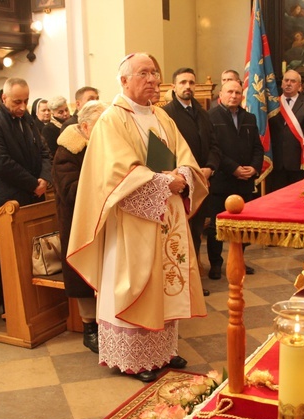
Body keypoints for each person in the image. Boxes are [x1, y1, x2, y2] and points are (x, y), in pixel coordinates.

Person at [67, 53, 208, 383]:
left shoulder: (162, 117)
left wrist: (185, 175)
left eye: (155, 74)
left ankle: (163, 351)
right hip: (132, 220)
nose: (152, 80)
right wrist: (162, 181)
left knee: (166, 283)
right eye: (144, 73)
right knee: (136, 284)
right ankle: (134, 358)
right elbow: (115, 173)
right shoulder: (111, 120)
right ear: (124, 80)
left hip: (166, 214)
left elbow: (184, 155)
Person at [52, 100, 107, 353]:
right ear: (84, 126)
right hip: (78, 225)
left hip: (104, 221)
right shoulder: (68, 151)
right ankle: (89, 329)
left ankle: (109, 326)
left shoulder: (104, 146)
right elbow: (70, 192)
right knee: (84, 275)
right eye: (100, 125)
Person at [163, 67, 220, 296]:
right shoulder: (166, 114)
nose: (188, 86)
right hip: (180, 184)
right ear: (174, 86)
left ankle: (194, 281)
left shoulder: (203, 113)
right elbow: (167, 149)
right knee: (179, 234)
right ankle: (180, 282)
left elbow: (214, 145)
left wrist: (209, 168)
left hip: (201, 183)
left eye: (191, 82)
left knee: (196, 233)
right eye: (183, 82)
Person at [208, 80, 264, 278]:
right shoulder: (211, 117)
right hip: (222, 180)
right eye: (230, 92)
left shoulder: (249, 117)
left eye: (238, 92)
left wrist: (254, 168)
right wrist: (233, 169)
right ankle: (216, 264)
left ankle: (239, 260)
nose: (234, 95)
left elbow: (258, 147)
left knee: (242, 225)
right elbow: (214, 149)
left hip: (245, 181)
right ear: (220, 94)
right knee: (217, 225)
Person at [0, 77, 52, 210]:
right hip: (10, 199)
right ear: (4, 98)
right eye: (17, 102)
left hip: (36, 194)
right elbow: (1, 163)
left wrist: (44, 177)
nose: (23, 107)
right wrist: (33, 184)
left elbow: (44, 151)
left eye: (26, 101)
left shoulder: (27, 119)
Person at [269, 70, 304, 192]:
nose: (288, 84)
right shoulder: (272, 104)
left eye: (293, 81)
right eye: (286, 80)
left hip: (298, 161)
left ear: (300, 86)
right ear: (281, 83)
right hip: (276, 162)